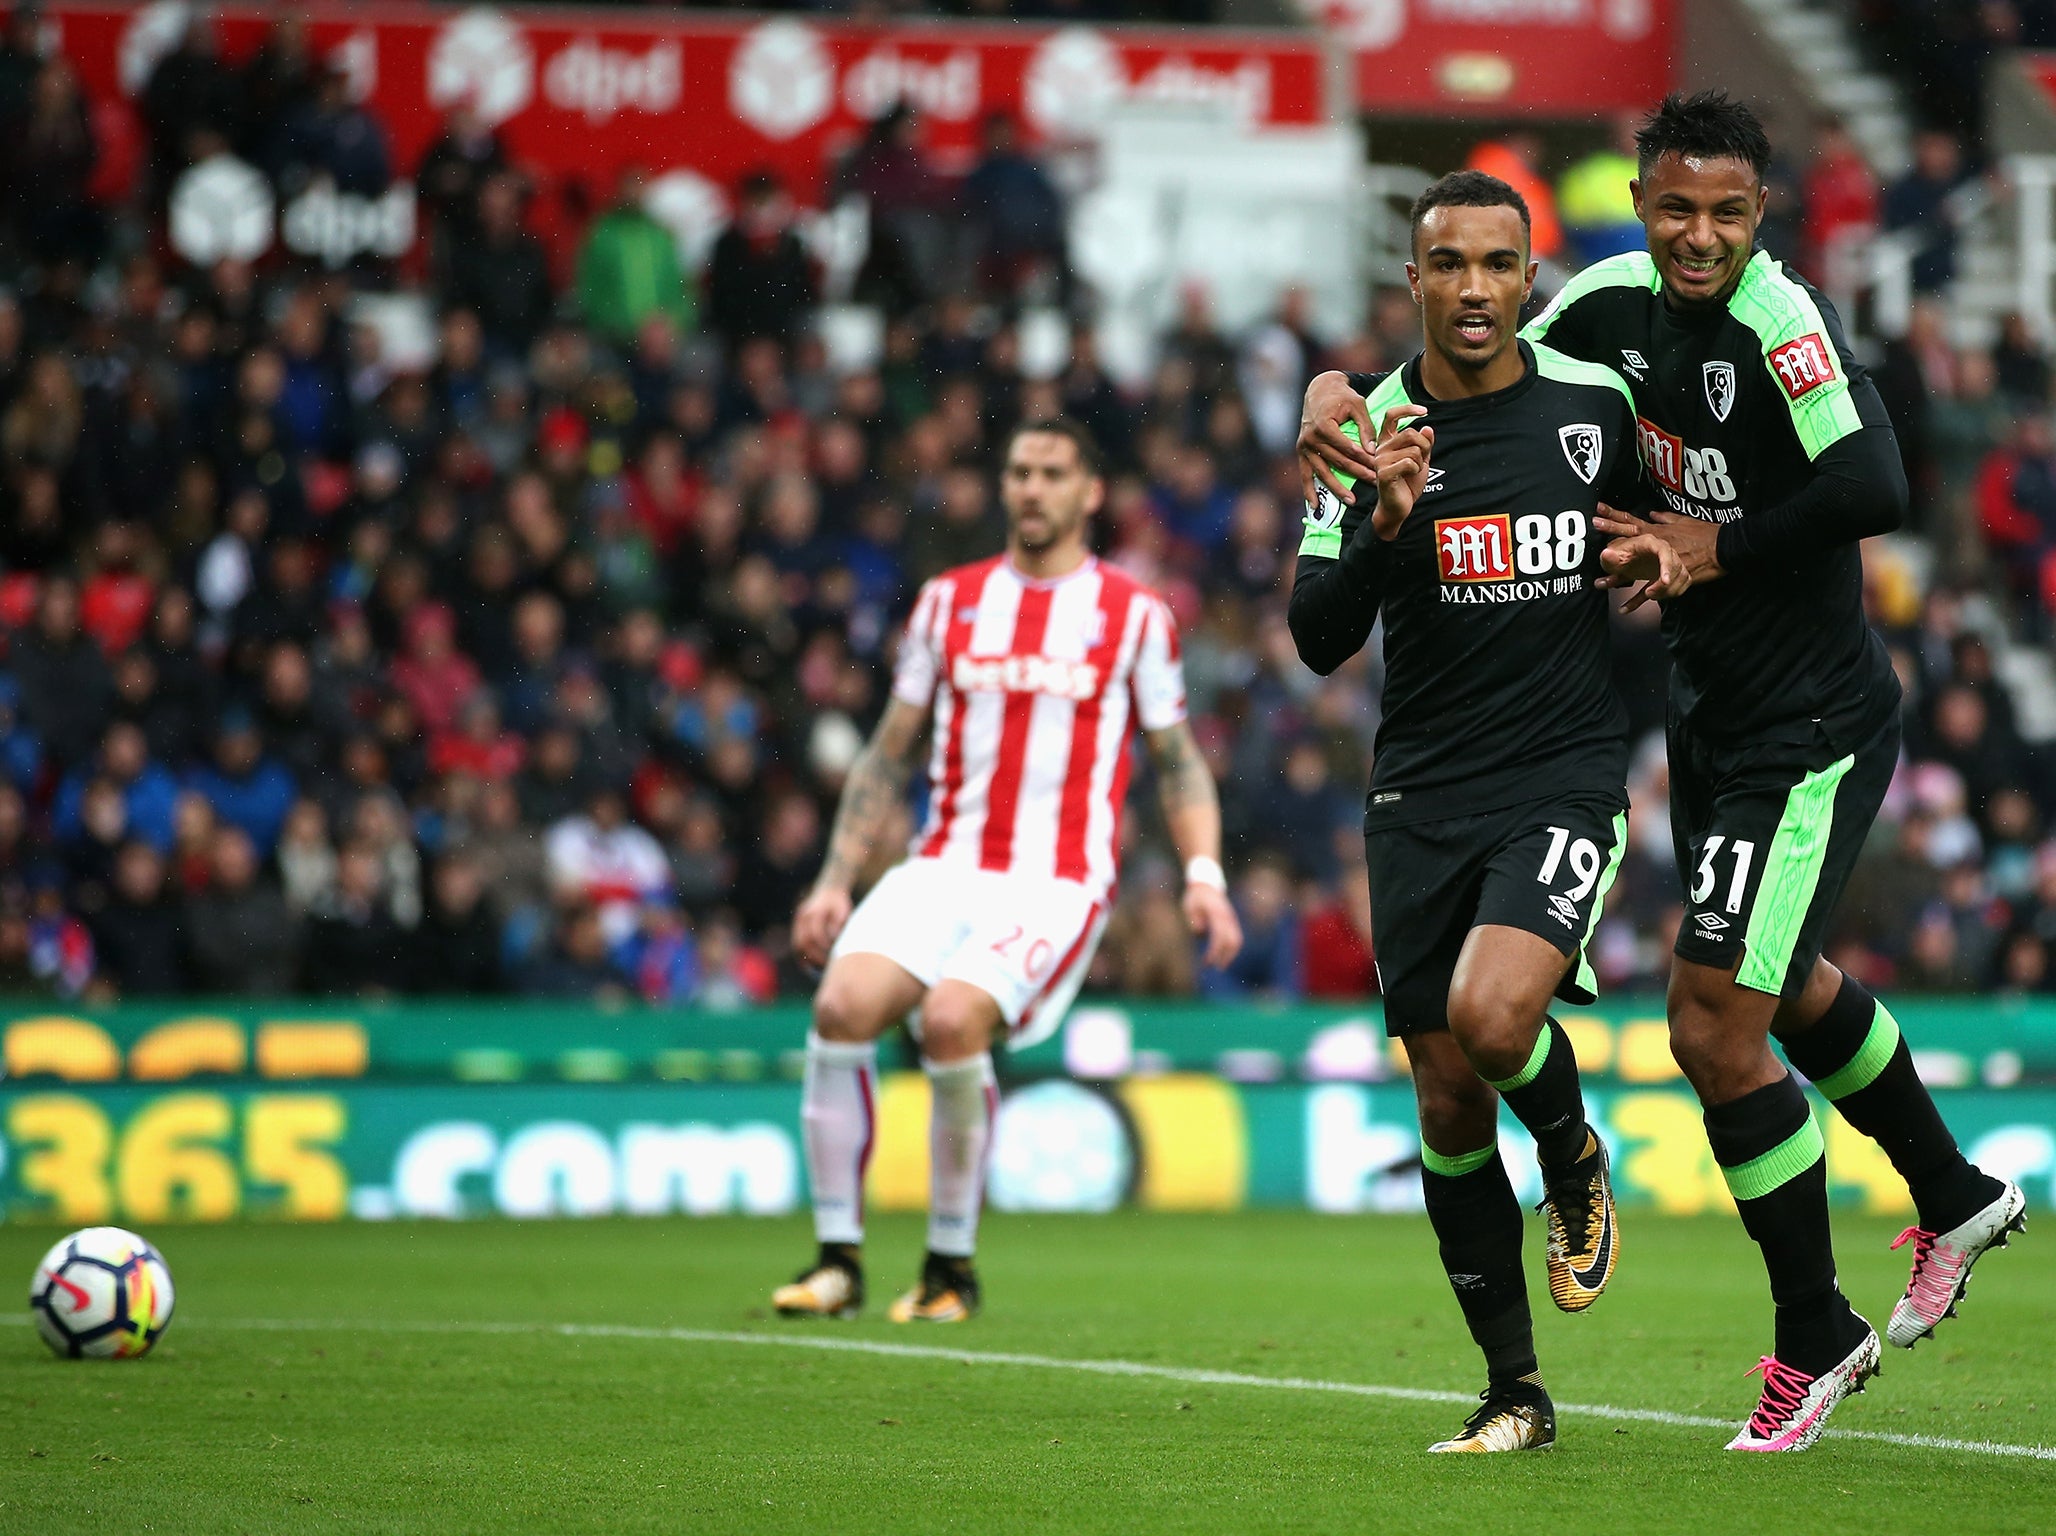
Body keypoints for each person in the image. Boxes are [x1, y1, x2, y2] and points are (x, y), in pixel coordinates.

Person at [1299, 92, 2023, 1454]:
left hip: (1804, 725)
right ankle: (1956, 1188)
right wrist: (1333, 393)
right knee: (1779, 982)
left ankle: (1814, 1333)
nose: (1700, 238)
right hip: (1706, 713)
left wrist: (1710, 548)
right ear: (1636, 206)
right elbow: (1469, 359)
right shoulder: (1603, 308)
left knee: (1711, 1024)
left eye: (1729, 214)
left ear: (1764, 218)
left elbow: (1877, 485)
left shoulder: (1784, 322)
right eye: (1677, 209)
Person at [1289, 171, 1654, 1455]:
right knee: (1445, 1097)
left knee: (1492, 1018)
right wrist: (1382, 521)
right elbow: (1315, 637)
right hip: (1418, 799)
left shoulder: (1597, 405)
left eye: (1498, 264)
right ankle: (1516, 1393)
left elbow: (1686, 513)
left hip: (1560, 774)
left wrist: (1672, 556)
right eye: (1449, 265)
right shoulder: (1370, 426)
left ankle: (1571, 1154)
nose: (1475, 289)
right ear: (1415, 283)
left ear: (1529, 279)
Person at [772, 418, 1242, 1325]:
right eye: (1019, 471)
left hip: (1056, 879)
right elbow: (885, 753)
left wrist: (1204, 874)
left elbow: (1178, 760)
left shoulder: (1134, 615)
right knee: (838, 1009)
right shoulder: (947, 603)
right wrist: (833, 879)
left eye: (1052, 473)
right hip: (943, 863)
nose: (1031, 488)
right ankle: (838, 1262)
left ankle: (951, 1268)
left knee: (951, 1020)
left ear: (1088, 493)